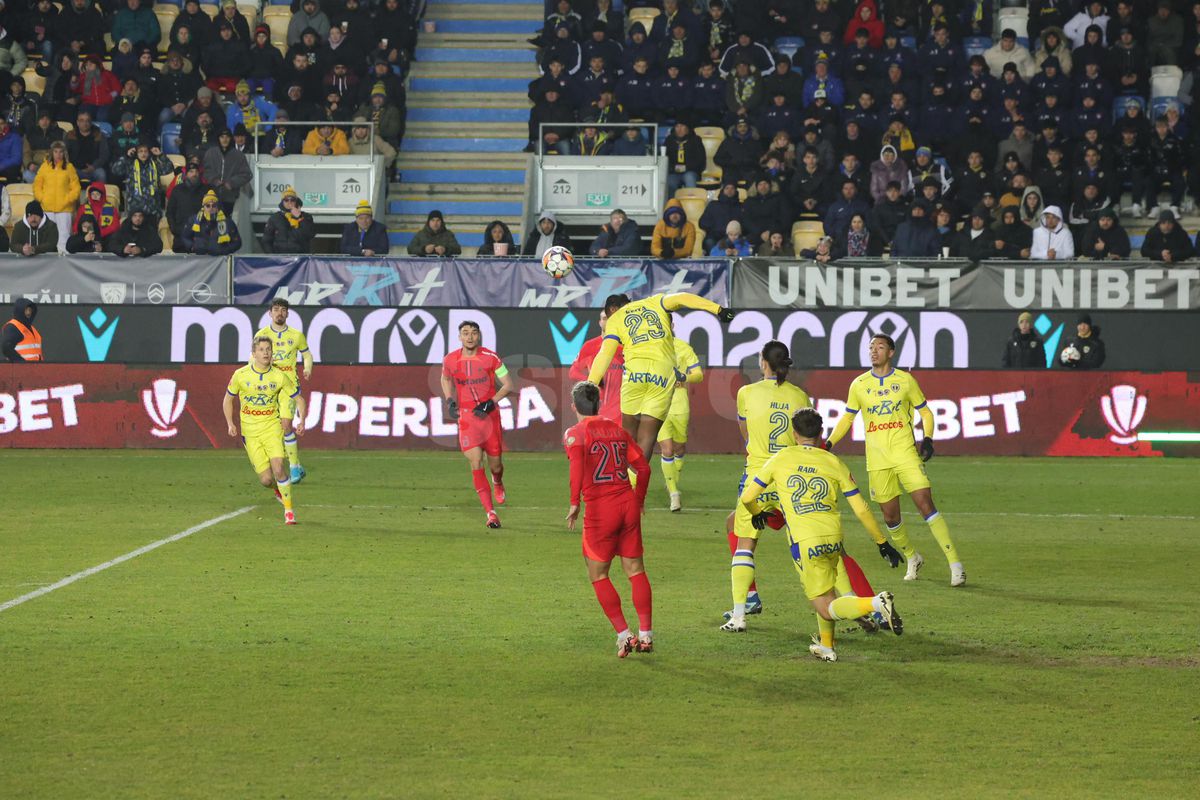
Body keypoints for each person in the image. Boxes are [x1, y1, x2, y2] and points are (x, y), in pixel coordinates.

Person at [739, 408, 904, 661]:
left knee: (826, 608)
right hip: (834, 538)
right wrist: (882, 543)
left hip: (805, 541)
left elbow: (748, 497)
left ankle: (874, 603)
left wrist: (757, 512)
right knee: (826, 587)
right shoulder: (834, 462)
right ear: (821, 433)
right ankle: (827, 646)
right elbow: (860, 508)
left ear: (794, 434)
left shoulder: (781, 457)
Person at [826, 334, 966, 587]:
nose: (874, 351)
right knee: (890, 518)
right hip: (878, 460)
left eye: (879, 347)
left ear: (891, 352)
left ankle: (955, 564)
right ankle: (913, 556)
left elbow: (925, 411)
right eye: (871, 347)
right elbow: (847, 418)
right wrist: (829, 444)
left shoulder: (905, 380)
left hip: (905, 453)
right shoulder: (859, 384)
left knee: (925, 503)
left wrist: (929, 438)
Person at [718, 340, 811, 629]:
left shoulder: (746, 393)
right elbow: (806, 437)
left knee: (743, 538)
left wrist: (758, 450)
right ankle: (859, 604)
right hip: (790, 478)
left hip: (758, 477)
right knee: (814, 543)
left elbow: (745, 433)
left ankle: (741, 611)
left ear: (763, 362)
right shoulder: (800, 396)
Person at [586, 292, 735, 464]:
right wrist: (718, 309)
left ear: (613, 309)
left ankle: (621, 481)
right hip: (662, 373)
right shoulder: (656, 301)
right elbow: (683, 297)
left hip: (635, 371)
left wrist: (591, 382)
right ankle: (636, 485)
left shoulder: (615, 318)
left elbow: (606, 353)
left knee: (628, 434)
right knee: (647, 436)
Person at [563, 381, 653, 658]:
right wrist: (638, 500)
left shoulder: (575, 434)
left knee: (598, 573)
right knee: (635, 569)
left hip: (602, 510)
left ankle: (624, 636)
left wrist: (575, 503)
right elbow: (643, 468)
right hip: (627, 503)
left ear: (573, 406)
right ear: (599, 404)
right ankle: (646, 635)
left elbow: (577, 468)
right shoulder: (618, 430)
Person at [223, 335, 306, 526]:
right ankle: (277, 489)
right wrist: (230, 423)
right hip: (250, 433)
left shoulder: (278, 376)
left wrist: (302, 420)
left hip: (271, 428)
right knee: (266, 480)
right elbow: (228, 399)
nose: (266, 352)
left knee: (278, 467)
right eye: (261, 349)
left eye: (268, 349)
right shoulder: (240, 375)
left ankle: (289, 510)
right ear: (253, 353)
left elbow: (299, 399)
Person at [440, 320, 514, 529]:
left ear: (479, 336)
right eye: (465, 333)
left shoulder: (491, 358)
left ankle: (497, 481)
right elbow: (445, 379)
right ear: (460, 337)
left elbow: (508, 384)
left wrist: (491, 402)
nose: (470, 337)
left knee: (496, 465)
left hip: (490, 418)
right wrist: (449, 400)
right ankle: (491, 513)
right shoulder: (450, 359)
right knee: (475, 461)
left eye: (473, 333)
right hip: (467, 419)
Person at [254, 298, 313, 484]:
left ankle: (294, 467)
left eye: (283, 310)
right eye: (276, 309)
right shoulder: (262, 335)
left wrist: (308, 368)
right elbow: (252, 358)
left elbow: (307, 354)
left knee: (286, 424)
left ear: (287, 314)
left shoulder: (296, 335)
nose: (280, 313)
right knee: (276, 428)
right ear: (270, 313)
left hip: (288, 383)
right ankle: (292, 464)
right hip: (269, 386)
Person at [657, 328, 702, 513]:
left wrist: (684, 377)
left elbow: (698, 375)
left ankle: (672, 482)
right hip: (659, 404)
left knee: (679, 448)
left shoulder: (683, 348)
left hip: (680, 407)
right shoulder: (652, 348)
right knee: (666, 449)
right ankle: (674, 494)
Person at [568, 299, 625, 423]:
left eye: (611, 318)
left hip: (620, 412)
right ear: (600, 322)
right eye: (604, 318)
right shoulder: (590, 346)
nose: (608, 321)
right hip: (594, 409)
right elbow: (573, 372)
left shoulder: (626, 347)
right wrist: (592, 382)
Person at [32, 140, 78, 251]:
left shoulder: (69, 167)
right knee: (48, 239)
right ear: (51, 153)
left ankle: (65, 265)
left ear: (64, 153)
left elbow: (76, 187)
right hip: (47, 208)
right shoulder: (44, 167)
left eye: (61, 151)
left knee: (64, 239)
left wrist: (67, 200)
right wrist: (42, 198)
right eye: (56, 151)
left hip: (65, 209)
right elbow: (37, 185)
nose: (58, 154)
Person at [180, 189, 242, 254]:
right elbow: (185, 237)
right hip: (199, 258)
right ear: (203, 207)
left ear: (217, 207)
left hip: (220, 259)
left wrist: (225, 250)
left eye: (214, 206)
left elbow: (237, 243)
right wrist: (192, 247)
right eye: (208, 206)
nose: (211, 208)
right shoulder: (194, 220)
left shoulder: (227, 222)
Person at [262, 186, 316, 254]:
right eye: (286, 200)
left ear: (296, 202)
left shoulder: (306, 217)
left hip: (300, 260)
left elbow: (310, 234)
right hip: (280, 260)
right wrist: (272, 257)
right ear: (282, 202)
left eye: (292, 199)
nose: (289, 202)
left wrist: (299, 217)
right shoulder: (275, 218)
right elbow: (266, 240)